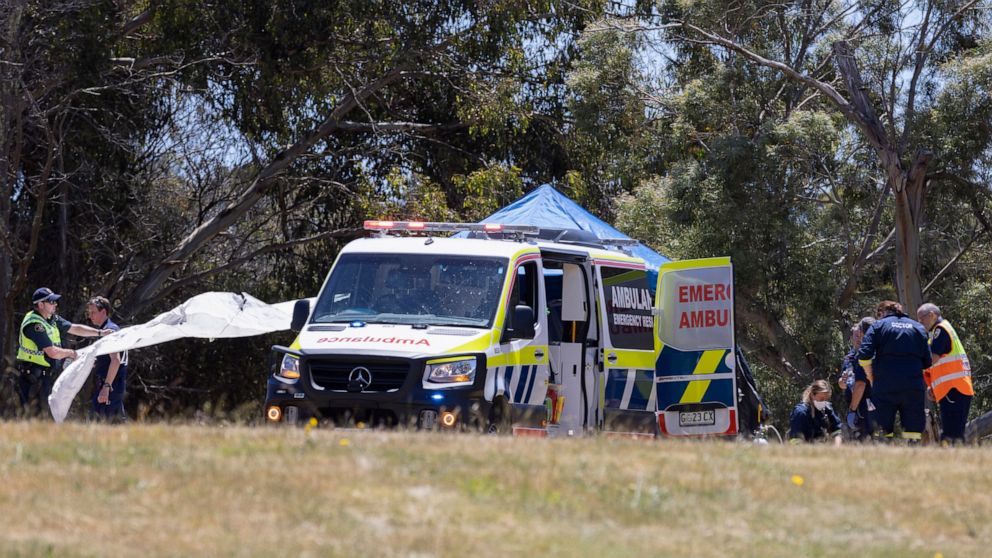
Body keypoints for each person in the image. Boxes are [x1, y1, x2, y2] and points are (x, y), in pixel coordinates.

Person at [16, 287, 112, 417]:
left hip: (45, 377)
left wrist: (100, 333)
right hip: (33, 379)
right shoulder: (34, 324)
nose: (55, 304)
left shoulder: (52, 319)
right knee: (32, 418)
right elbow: (52, 352)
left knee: (44, 418)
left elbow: (74, 328)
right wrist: (71, 353)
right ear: (40, 304)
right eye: (51, 302)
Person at [857, 300, 931, 443]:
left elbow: (864, 355)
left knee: (882, 432)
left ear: (881, 313)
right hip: (913, 387)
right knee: (913, 432)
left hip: (885, 386)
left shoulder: (878, 326)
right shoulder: (919, 328)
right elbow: (927, 362)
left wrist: (871, 377)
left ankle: (884, 460)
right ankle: (913, 458)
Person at [917, 303, 974, 444]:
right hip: (954, 390)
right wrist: (932, 386)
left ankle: (952, 462)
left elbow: (932, 359)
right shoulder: (942, 330)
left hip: (953, 389)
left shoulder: (940, 330)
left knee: (950, 434)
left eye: (921, 319)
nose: (920, 323)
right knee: (953, 433)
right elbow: (939, 365)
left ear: (932, 315)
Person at [86, 296, 128, 421]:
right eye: (89, 313)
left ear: (103, 312)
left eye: (93, 312)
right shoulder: (104, 330)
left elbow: (116, 360)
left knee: (101, 424)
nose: (90, 316)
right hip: (109, 384)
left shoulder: (110, 331)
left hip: (111, 385)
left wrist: (106, 387)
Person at [841, 317, 875, 441]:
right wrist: (842, 382)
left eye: (859, 335)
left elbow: (861, 384)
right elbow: (843, 384)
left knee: (867, 438)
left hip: (867, 403)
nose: (858, 338)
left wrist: (852, 410)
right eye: (855, 336)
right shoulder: (848, 358)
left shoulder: (866, 354)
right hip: (855, 403)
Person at [788, 380, 843, 444]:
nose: (824, 402)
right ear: (812, 395)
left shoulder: (827, 409)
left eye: (826, 399)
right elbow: (796, 441)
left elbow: (837, 431)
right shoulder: (801, 412)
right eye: (822, 399)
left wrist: (836, 449)